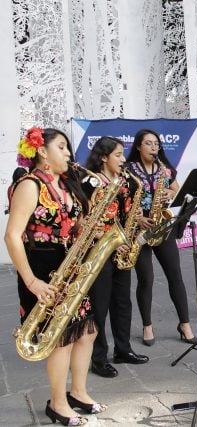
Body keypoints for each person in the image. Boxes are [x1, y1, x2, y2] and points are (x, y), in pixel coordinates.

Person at [5, 127, 105, 426]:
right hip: (41, 269)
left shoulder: (65, 185)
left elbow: (68, 226)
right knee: (60, 338)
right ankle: (58, 404)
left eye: (68, 148)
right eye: (61, 147)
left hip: (68, 265)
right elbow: (11, 236)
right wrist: (32, 282)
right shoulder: (29, 184)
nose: (68, 154)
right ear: (41, 151)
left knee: (86, 331)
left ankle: (78, 392)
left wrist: (85, 231)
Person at [80, 137, 148, 378]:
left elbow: (126, 213)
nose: (123, 159)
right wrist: (108, 238)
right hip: (99, 251)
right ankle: (97, 358)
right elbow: (82, 220)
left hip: (122, 250)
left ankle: (123, 349)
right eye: (118, 155)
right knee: (99, 306)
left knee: (122, 302)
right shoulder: (90, 182)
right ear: (103, 157)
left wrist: (137, 217)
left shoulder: (125, 182)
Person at [125, 129, 197, 345]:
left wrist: (170, 193)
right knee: (146, 278)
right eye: (148, 143)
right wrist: (137, 218)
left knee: (175, 275)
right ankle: (147, 325)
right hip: (139, 228)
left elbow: (176, 188)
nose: (154, 147)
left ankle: (184, 324)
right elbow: (121, 199)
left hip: (162, 225)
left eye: (156, 143)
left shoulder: (165, 170)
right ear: (138, 146)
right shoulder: (128, 170)